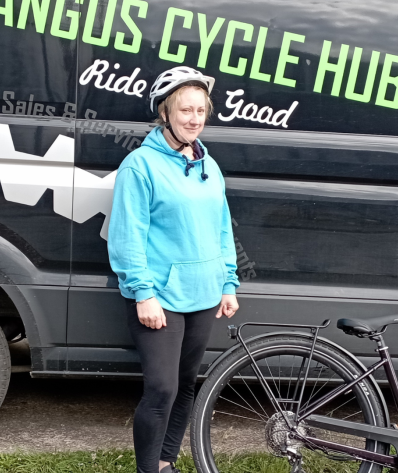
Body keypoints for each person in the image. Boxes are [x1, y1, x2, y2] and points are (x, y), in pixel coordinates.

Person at [107, 66, 241, 473]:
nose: (195, 118)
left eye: (201, 110)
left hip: (203, 294)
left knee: (185, 388)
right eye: (186, 110)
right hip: (159, 297)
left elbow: (221, 228)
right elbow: (128, 236)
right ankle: (148, 470)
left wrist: (228, 282)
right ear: (164, 112)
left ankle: (166, 464)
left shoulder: (208, 165)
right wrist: (143, 293)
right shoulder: (140, 165)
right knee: (161, 388)